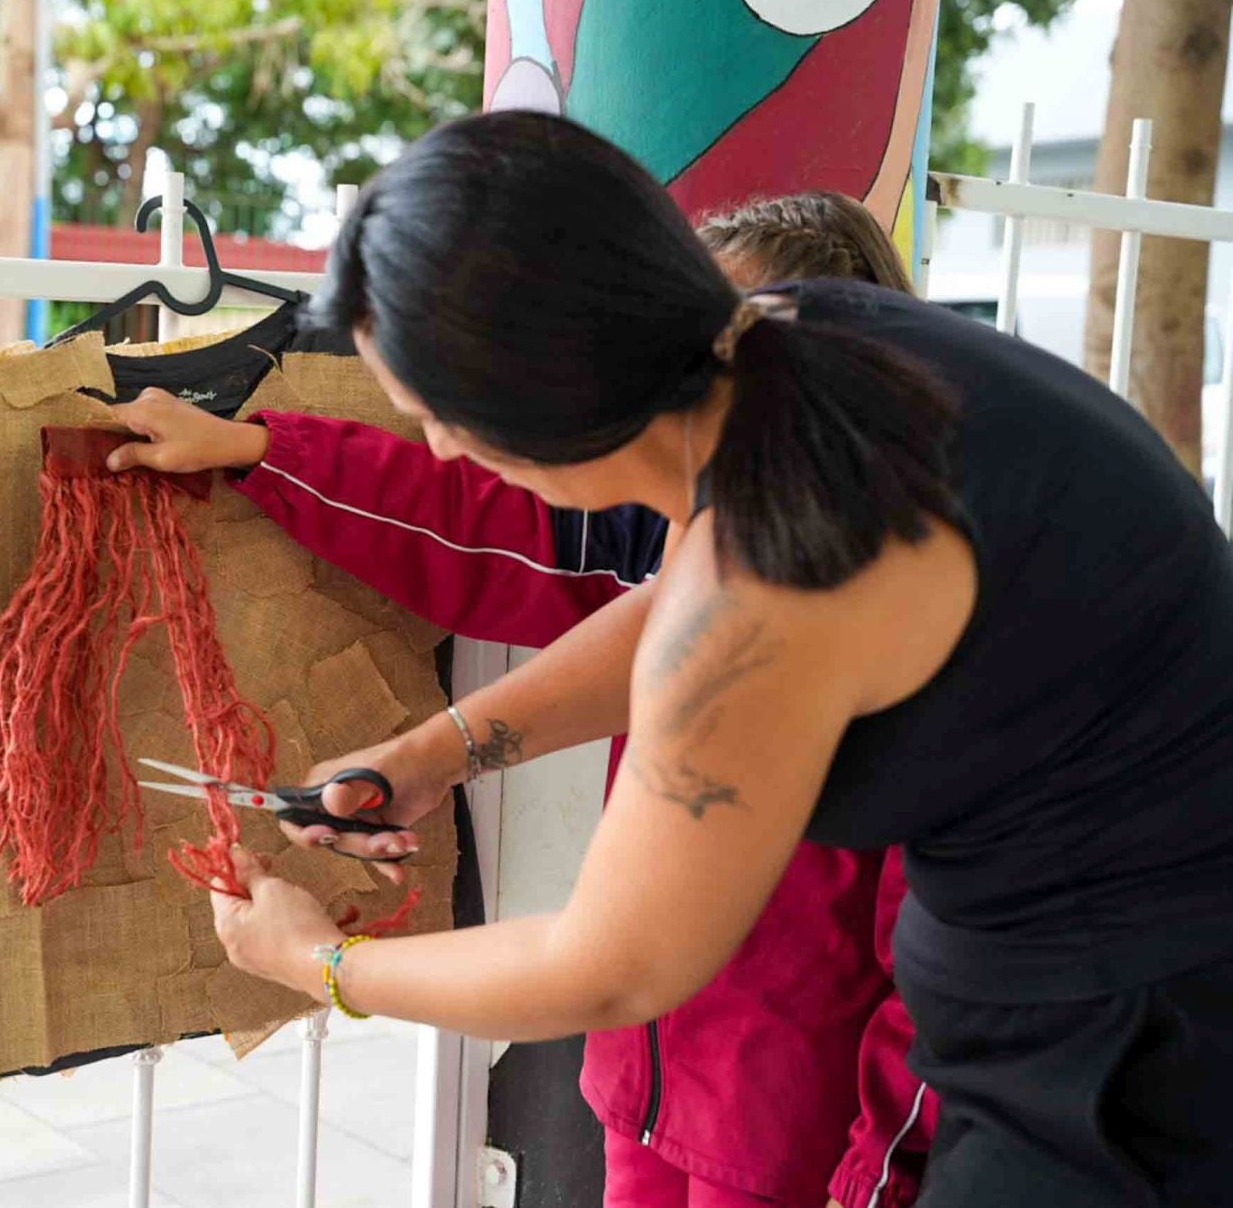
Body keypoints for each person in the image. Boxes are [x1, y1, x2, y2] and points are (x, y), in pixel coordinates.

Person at [118, 112, 1233, 1205]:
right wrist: (436, 752)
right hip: (1090, 968)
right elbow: (668, 608)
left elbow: (610, 963)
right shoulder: (796, 344)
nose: (449, 450)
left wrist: (320, 962)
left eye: (442, 418)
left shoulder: (776, 561)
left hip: (1130, 1054)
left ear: (537, 398)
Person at [109, 189, 935, 1208]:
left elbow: (925, 982)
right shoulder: (695, 524)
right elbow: (494, 525)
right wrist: (260, 453)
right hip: (645, 1087)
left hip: (799, 1140)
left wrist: (323, 962)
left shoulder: (913, 624)